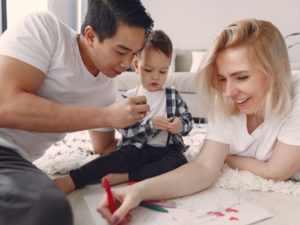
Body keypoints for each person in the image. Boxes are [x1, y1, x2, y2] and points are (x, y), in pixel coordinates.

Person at [97, 18, 300, 225]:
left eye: (241, 77)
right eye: (222, 78)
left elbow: (277, 171)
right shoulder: (223, 100)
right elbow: (203, 168)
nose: (228, 92)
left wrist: (227, 157)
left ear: (278, 69)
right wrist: (138, 191)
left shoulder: (297, 96)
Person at [0, 0, 153, 224]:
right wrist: (105, 115)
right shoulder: (45, 29)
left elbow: (104, 148)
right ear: (90, 36)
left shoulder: (106, 90)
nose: (127, 63)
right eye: (121, 51)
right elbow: (5, 106)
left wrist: (147, 141)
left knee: (49, 207)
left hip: (12, 161)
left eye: (134, 54)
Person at [53, 30, 194, 194]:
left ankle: (127, 176)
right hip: (137, 149)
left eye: (162, 71)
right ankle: (74, 179)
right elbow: (126, 130)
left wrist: (180, 125)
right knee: (114, 159)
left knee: (179, 161)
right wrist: (150, 125)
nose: (156, 76)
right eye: (148, 70)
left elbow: (188, 120)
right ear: (136, 66)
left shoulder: (172, 96)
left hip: (166, 150)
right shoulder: (130, 97)